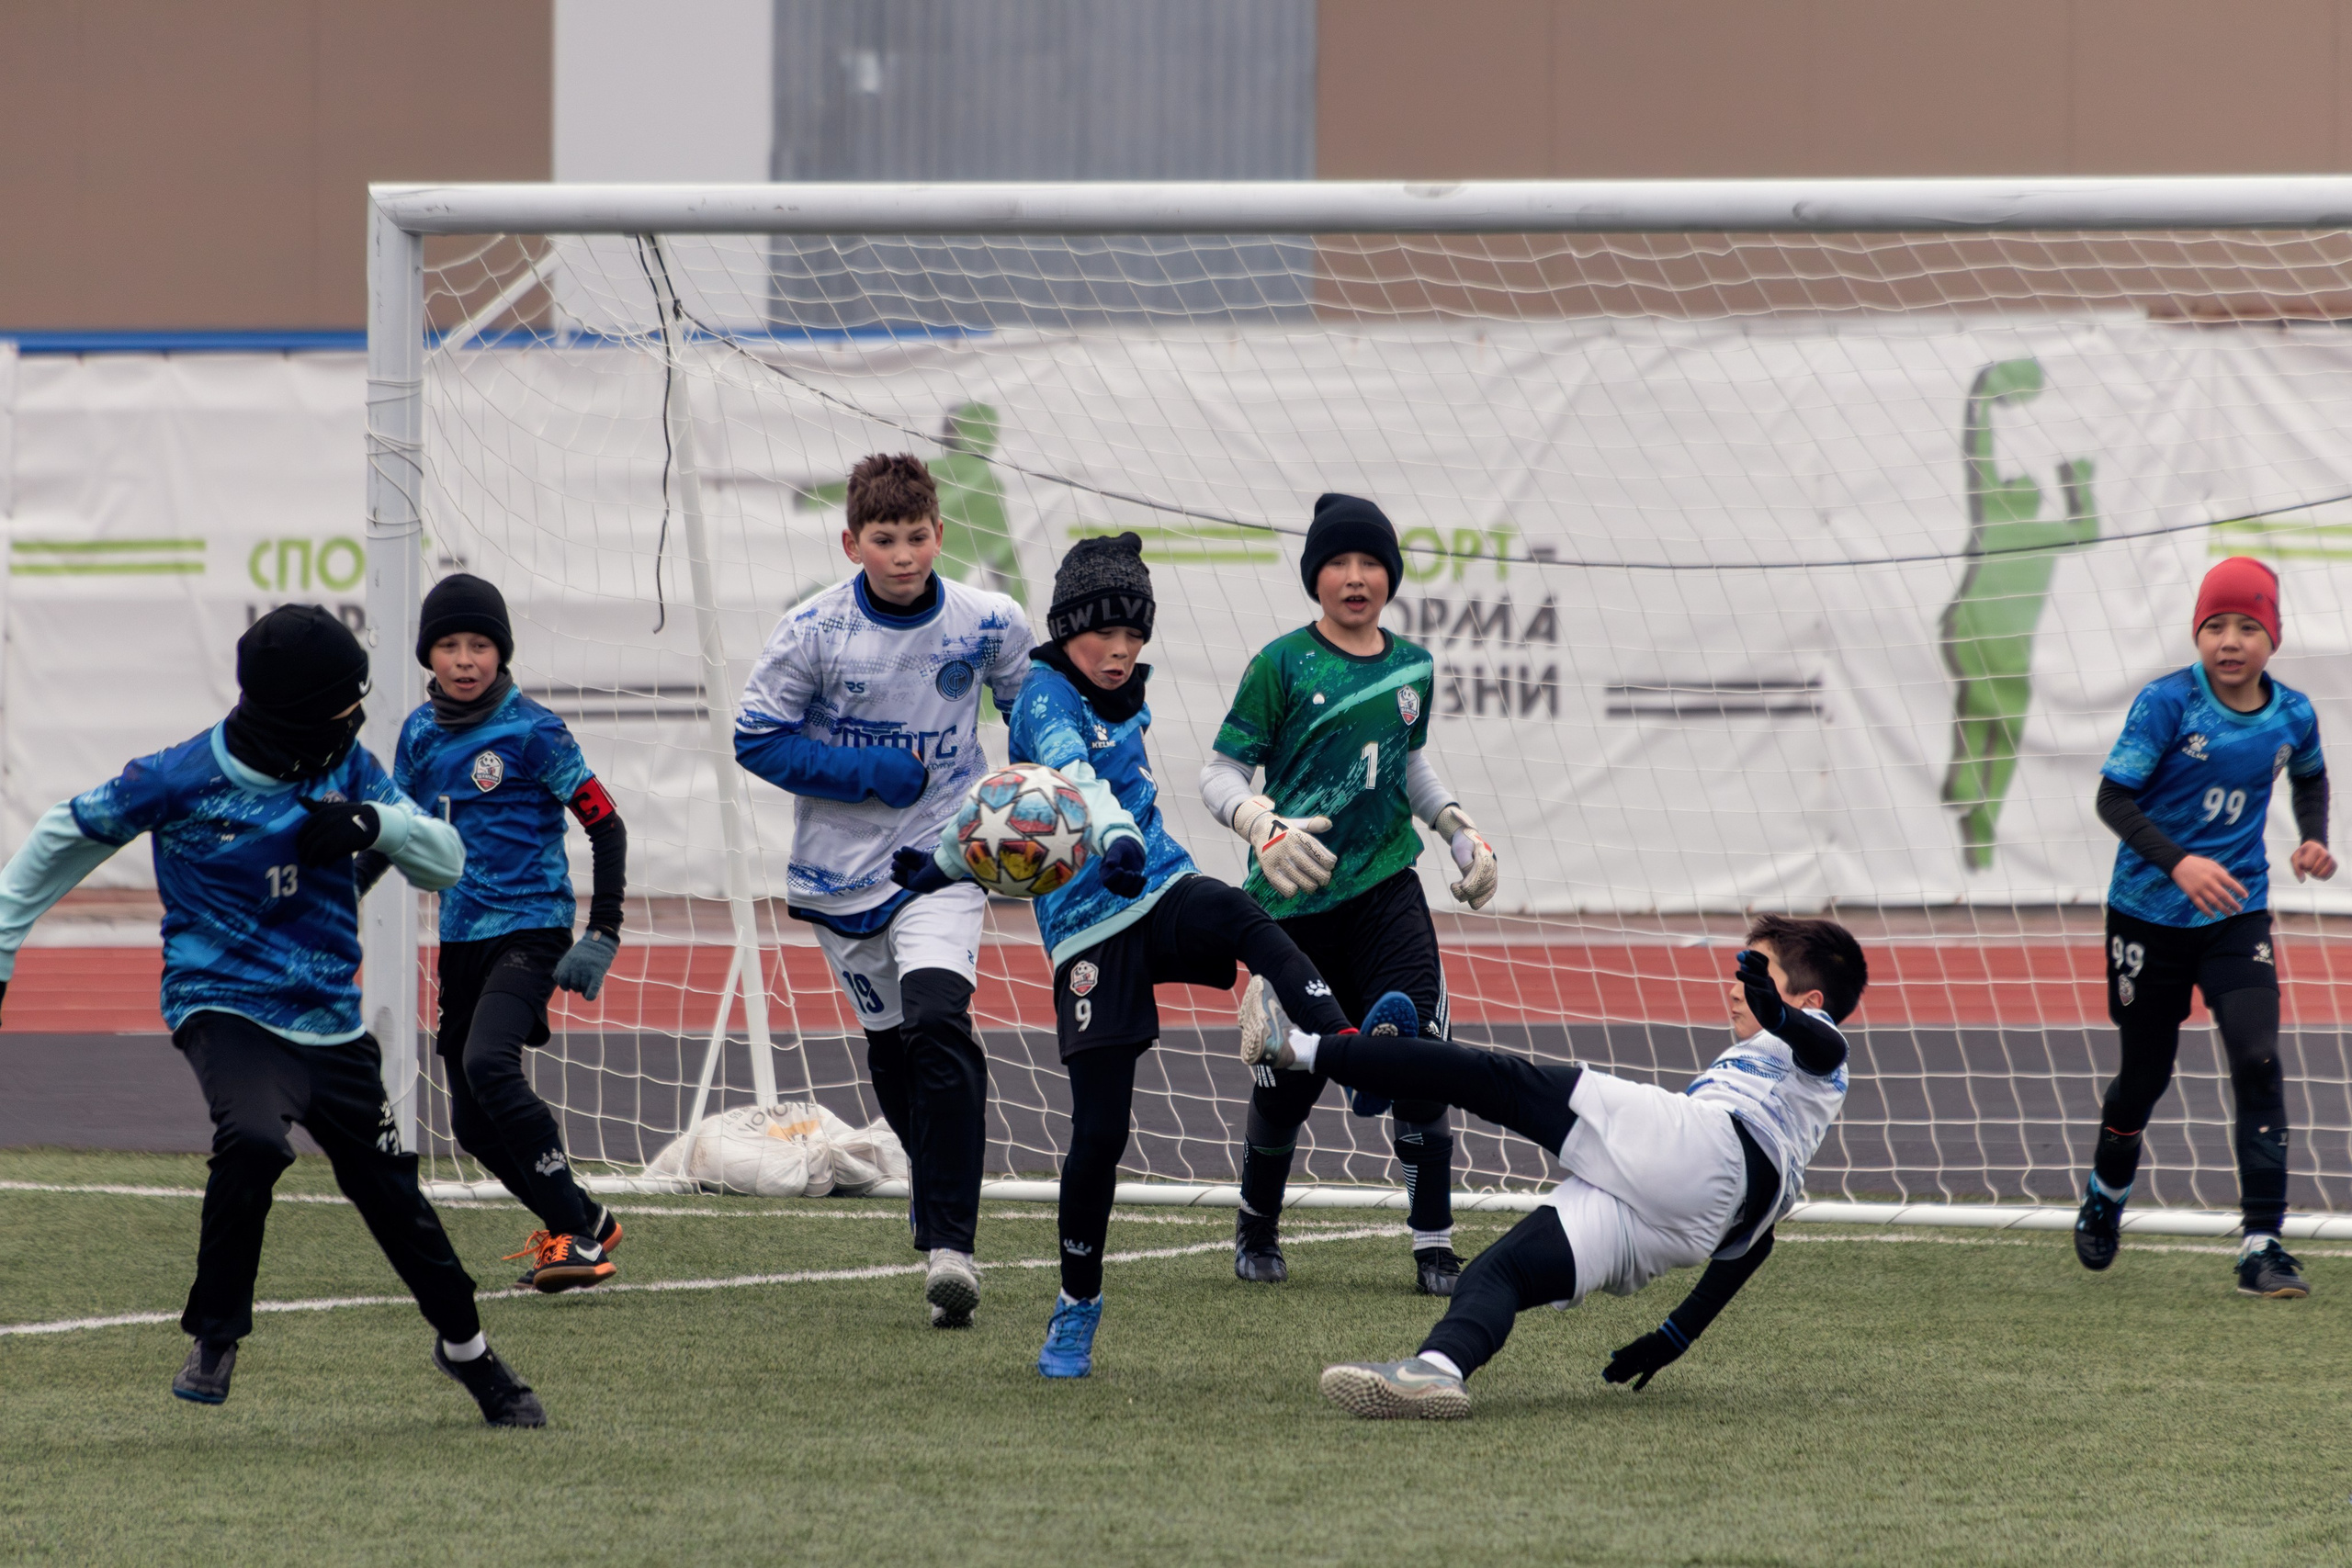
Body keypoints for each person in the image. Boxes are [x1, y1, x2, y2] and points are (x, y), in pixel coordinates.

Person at [0, 606, 543, 1425]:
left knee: (396, 1199)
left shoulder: (352, 770)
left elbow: (448, 858)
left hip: (329, 1020)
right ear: (292, 713)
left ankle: (467, 1349)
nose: (356, 719)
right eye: (342, 707)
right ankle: (216, 1333)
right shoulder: (178, 777)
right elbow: (62, 831)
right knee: (253, 1137)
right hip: (220, 1003)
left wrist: (379, 823)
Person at [893, 533, 1362, 1379]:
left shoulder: (1127, 692)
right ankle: (1076, 1304)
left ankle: (1349, 1051)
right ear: (1067, 628)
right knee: (1101, 1132)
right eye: (1103, 635)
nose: (1119, 651)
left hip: (1157, 884)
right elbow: (1062, 788)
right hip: (1088, 928)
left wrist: (1125, 846)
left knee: (1242, 912)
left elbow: (1017, 814)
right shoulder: (1040, 695)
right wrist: (941, 869)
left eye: (1134, 636)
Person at [1242, 915, 1865, 1419]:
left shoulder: (1815, 1041)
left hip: (1703, 1151)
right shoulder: (1793, 1104)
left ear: (1809, 998)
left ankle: (1300, 1047)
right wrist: (1675, 1335)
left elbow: (1825, 1042)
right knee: (1500, 1269)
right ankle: (1436, 1370)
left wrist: (1783, 1016)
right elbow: (1755, 1246)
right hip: (1701, 1224)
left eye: (1759, 972)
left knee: (1500, 1081)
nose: (1737, 984)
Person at [736, 453, 1034, 1327]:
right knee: (897, 1049)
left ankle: (953, 1247)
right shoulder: (813, 631)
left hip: (944, 860)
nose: (903, 554)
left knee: (941, 1019)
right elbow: (758, 738)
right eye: (883, 539)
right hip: (838, 876)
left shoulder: (987, 622)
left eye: (916, 537)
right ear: (852, 541)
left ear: (940, 534)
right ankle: (934, 1197)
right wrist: (867, 771)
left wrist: (1046, 793)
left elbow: (1033, 708)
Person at [1199, 492, 1499, 1295]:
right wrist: (1261, 823)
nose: (1357, 577)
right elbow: (1218, 773)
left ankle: (1434, 1246)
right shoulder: (1281, 664)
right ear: (1315, 577)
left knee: (1423, 1068)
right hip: (1292, 904)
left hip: (1387, 890)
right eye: (1339, 562)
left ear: (1391, 576)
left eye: (1371, 562)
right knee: (1285, 1090)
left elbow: (1407, 761)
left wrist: (1456, 828)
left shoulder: (1413, 666)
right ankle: (1256, 1228)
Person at [2074, 556, 2333, 1297]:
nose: (2229, 640)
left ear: (2271, 639)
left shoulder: (2293, 713)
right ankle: (2107, 1192)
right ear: (2197, 633)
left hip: (2236, 910)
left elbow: (2309, 771)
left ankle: (2263, 1243)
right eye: (2214, 625)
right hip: (2147, 916)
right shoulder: (2167, 704)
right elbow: (2114, 800)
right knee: (2144, 1078)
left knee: (2257, 1058)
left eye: (2247, 626)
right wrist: (2179, 861)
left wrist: (2311, 834)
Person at [392, 574, 629, 1293]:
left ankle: (578, 1240)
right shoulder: (418, 733)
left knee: (490, 1064)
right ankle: (582, 1217)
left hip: (533, 929)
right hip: (461, 939)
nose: (466, 659)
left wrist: (603, 932)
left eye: (481, 644)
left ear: (502, 652)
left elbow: (605, 824)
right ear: (428, 654)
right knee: (469, 1120)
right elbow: (398, 831)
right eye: (449, 645)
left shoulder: (534, 732)